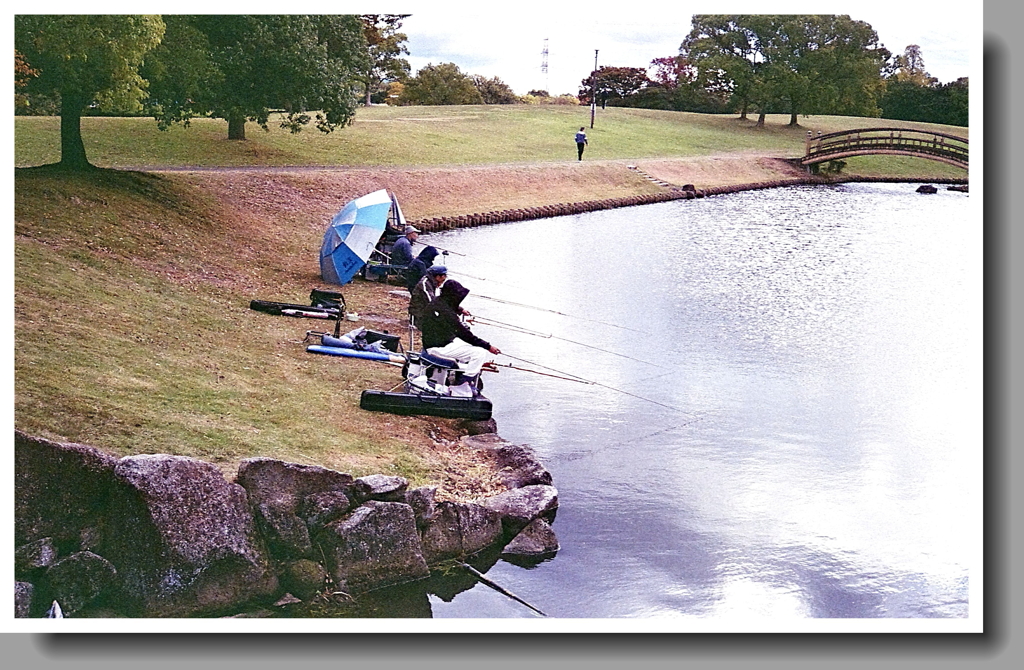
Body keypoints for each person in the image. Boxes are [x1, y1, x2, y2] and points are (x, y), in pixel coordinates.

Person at [419, 279, 500, 379]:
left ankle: (463, 371)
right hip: (437, 348)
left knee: (467, 345)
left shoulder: (437, 302)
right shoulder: (447, 313)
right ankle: (464, 382)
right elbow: (465, 334)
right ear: (452, 296)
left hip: (435, 343)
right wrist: (488, 347)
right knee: (479, 353)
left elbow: (449, 307)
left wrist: (460, 310)